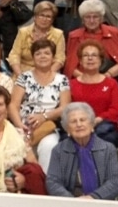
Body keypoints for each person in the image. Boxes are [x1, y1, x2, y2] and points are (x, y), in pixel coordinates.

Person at [8, 39, 71, 173]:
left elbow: (65, 107)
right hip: (23, 125)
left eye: (47, 53)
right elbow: (13, 105)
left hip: (47, 126)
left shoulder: (62, 80)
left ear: (53, 57)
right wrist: (20, 126)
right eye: (38, 53)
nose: (42, 56)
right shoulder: (24, 78)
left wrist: (44, 116)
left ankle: (43, 186)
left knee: (49, 145)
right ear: (33, 57)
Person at [46, 102, 118, 199]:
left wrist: (93, 197)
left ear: (91, 124)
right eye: (73, 121)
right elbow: (53, 182)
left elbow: (114, 182)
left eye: (83, 120)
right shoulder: (59, 151)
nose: (79, 124)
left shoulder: (108, 149)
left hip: (102, 205)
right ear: (67, 129)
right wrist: (73, 201)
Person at [63, 0, 118, 100]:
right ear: (82, 19)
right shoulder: (74, 35)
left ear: (101, 18)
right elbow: (70, 66)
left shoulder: (114, 33)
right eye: (88, 17)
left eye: (95, 17)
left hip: (109, 80)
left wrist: (106, 76)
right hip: (81, 82)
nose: (91, 20)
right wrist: (87, 79)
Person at [68, 40, 118, 148]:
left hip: (105, 127)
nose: (90, 58)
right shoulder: (71, 84)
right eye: (86, 55)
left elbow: (116, 110)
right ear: (80, 61)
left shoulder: (111, 83)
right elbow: (67, 109)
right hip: (78, 126)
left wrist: (97, 120)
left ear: (101, 60)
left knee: (104, 138)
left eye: (94, 55)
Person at [7, 1, 66, 76]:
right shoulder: (23, 32)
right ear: (35, 17)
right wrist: (20, 75)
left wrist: (46, 75)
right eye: (41, 15)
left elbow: (60, 59)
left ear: (52, 20)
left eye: (48, 16)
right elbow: (14, 55)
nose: (44, 19)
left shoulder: (58, 34)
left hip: (48, 72)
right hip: (23, 72)